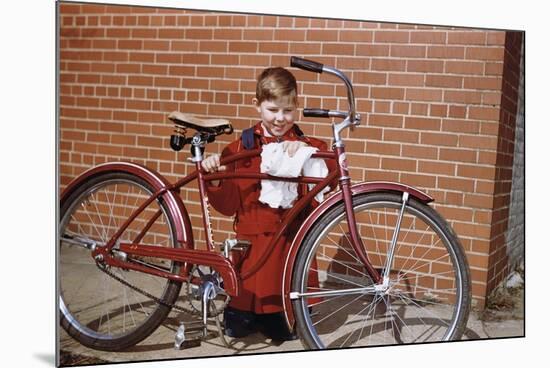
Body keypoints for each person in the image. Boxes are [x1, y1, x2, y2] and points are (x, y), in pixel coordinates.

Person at [201, 66, 336, 341]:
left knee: (284, 329)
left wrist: (307, 152)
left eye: (287, 111)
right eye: (272, 110)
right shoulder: (240, 149)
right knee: (239, 324)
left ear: (296, 106)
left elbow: (332, 174)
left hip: (289, 243)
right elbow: (227, 205)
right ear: (257, 106)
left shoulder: (304, 144)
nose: (280, 118)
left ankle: (284, 315)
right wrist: (213, 174)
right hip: (252, 246)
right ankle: (245, 313)